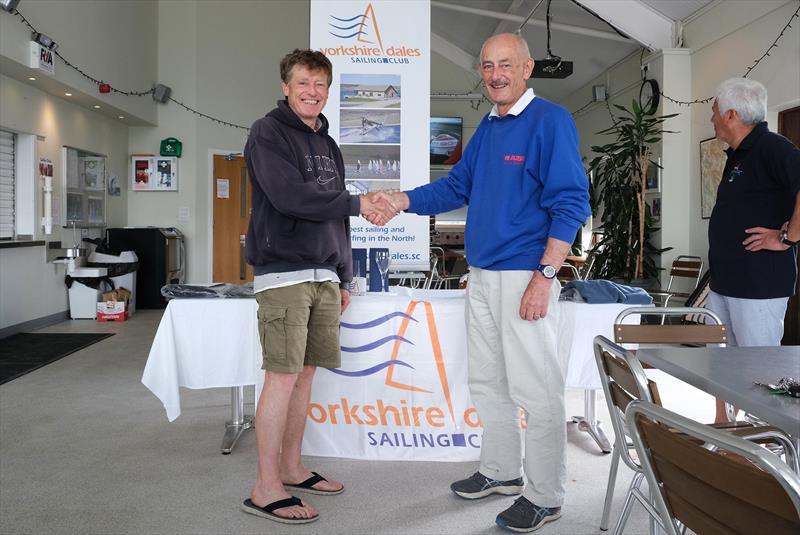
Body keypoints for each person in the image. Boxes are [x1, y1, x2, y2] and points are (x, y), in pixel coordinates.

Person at [376, 33, 590, 532]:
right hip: (484, 276)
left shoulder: (550, 121)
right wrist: (402, 200)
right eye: (488, 65)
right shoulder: (489, 128)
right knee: (488, 383)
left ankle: (545, 495)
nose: (495, 74)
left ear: (527, 68)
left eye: (505, 65)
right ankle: (500, 471)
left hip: (526, 275)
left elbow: (572, 203)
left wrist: (545, 275)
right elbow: (456, 187)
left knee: (537, 391)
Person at [241, 48, 394, 525]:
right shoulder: (267, 133)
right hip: (284, 271)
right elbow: (290, 198)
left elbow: (337, 222)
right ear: (286, 86)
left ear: (328, 91)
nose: (312, 91)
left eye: (320, 85)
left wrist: (344, 273)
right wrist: (357, 202)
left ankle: (290, 466)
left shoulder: (328, 144)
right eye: (303, 82)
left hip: (324, 275)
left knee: (306, 376)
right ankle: (265, 486)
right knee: (282, 377)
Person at [706, 77, 800, 422]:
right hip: (725, 283)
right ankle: (727, 431)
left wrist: (786, 237)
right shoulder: (740, 154)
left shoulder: (773, 148)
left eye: (714, 109)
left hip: (758, 287)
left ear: (731, 114)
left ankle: (769, 443)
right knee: (722, 361)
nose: (711, 116)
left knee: (760, 370)